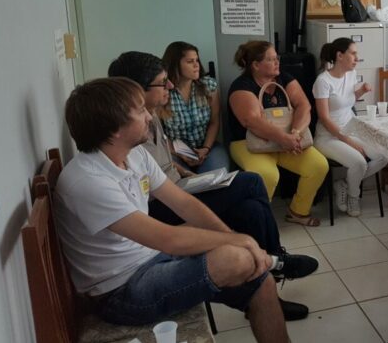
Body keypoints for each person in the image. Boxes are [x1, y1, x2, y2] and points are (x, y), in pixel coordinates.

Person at [54, 77, 287, 342]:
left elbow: (184, 203)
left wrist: (235, 238)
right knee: (238, 259)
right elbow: (168, 239)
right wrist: (241, 241)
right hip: (121, 291)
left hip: (153, 259)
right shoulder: (87, 181)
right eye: (140, 110)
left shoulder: (134, 155)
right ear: (115, 128)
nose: (149, 116)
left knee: (262, 281)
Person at [108, 51, 316, 321]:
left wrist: (186, 171)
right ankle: (276, 259)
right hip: (161, 207)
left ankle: (267, 293)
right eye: (163, 82)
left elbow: (160, 167)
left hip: (176, 187)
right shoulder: (130, 131)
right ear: (137, 90)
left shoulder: (151, 116)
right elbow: (153, 195)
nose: (170, 86)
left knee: (251, 210)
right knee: (251, 181)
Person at [228, 41, 329, 227]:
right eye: (271, 59)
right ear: (256, 65)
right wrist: (285, 139)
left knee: (318, 165)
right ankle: (257, 222)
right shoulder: (241, 86)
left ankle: (298, 211)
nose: (277, 62)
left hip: (287, 140)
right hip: (249, 144)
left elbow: (304, 106)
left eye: (277, 58)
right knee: (267, 174)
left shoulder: (285, 78)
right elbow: (252, 122)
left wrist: (296, 133)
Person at [313, 38, 388, 217]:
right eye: (353, 54)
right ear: (340, 56)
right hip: (328, 137)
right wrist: (347, 140)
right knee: (359, 162)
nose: (357, 58)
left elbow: (346, 101)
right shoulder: (323, 81)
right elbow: (324, 117)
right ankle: (354, 196)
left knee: (383, 156)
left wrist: (361, 92)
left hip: (351, 128)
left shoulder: (351, 74)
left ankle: (344, 185)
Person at [160, 41, 230, 173]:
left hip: (208, 147)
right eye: (190, 61)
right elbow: (160, 134)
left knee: (215, 176)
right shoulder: (163, 92)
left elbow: (214, 122)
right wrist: (179, 153)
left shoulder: (208, 86)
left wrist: (206, 148)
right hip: (175, 152)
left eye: (197, 60)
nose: (196, 65)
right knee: (176, 177)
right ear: (175, 65)